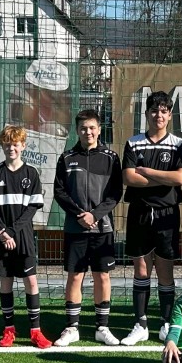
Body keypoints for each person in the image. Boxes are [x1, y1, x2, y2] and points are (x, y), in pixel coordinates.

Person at [120, 91, 182, 345]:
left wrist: (147, 171)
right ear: (147, 114)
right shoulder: (134, 143)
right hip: (139, 212)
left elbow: (180, 178)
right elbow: (129, 178)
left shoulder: (178, 144)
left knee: (165, 272)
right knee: (141, 270)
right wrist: (164, 178)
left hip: (167, 213)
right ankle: (140, 324)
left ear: (170, 115)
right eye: (154, 110)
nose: (158, 115)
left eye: (163, 111)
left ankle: (166, 323)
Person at [52, 109, 123, 347]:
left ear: (99, 130)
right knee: (75, 276)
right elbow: (59, 192)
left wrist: (95, 214)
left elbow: (115, 193)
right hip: (76, 228)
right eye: (83, 128)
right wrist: (79, 215)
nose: (88, 132)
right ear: (77, 130)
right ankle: (72, 328)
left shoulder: (111, 157)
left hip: (103, 228)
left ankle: (102, 327)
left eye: (92, 127)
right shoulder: (66, 157)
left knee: (102, 276)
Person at [0, 126, 50, 348]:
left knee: (31, 281)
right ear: (2, 145)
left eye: (15, 144)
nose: (11, 148)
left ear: (23, 146)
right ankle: (9, 329)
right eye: (7, 144)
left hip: (23, 238)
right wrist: (2, 232)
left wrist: (12, 231)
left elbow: (32, 208)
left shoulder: (31, 173)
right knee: (6, 282)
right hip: (1, 238)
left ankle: (35, 331)